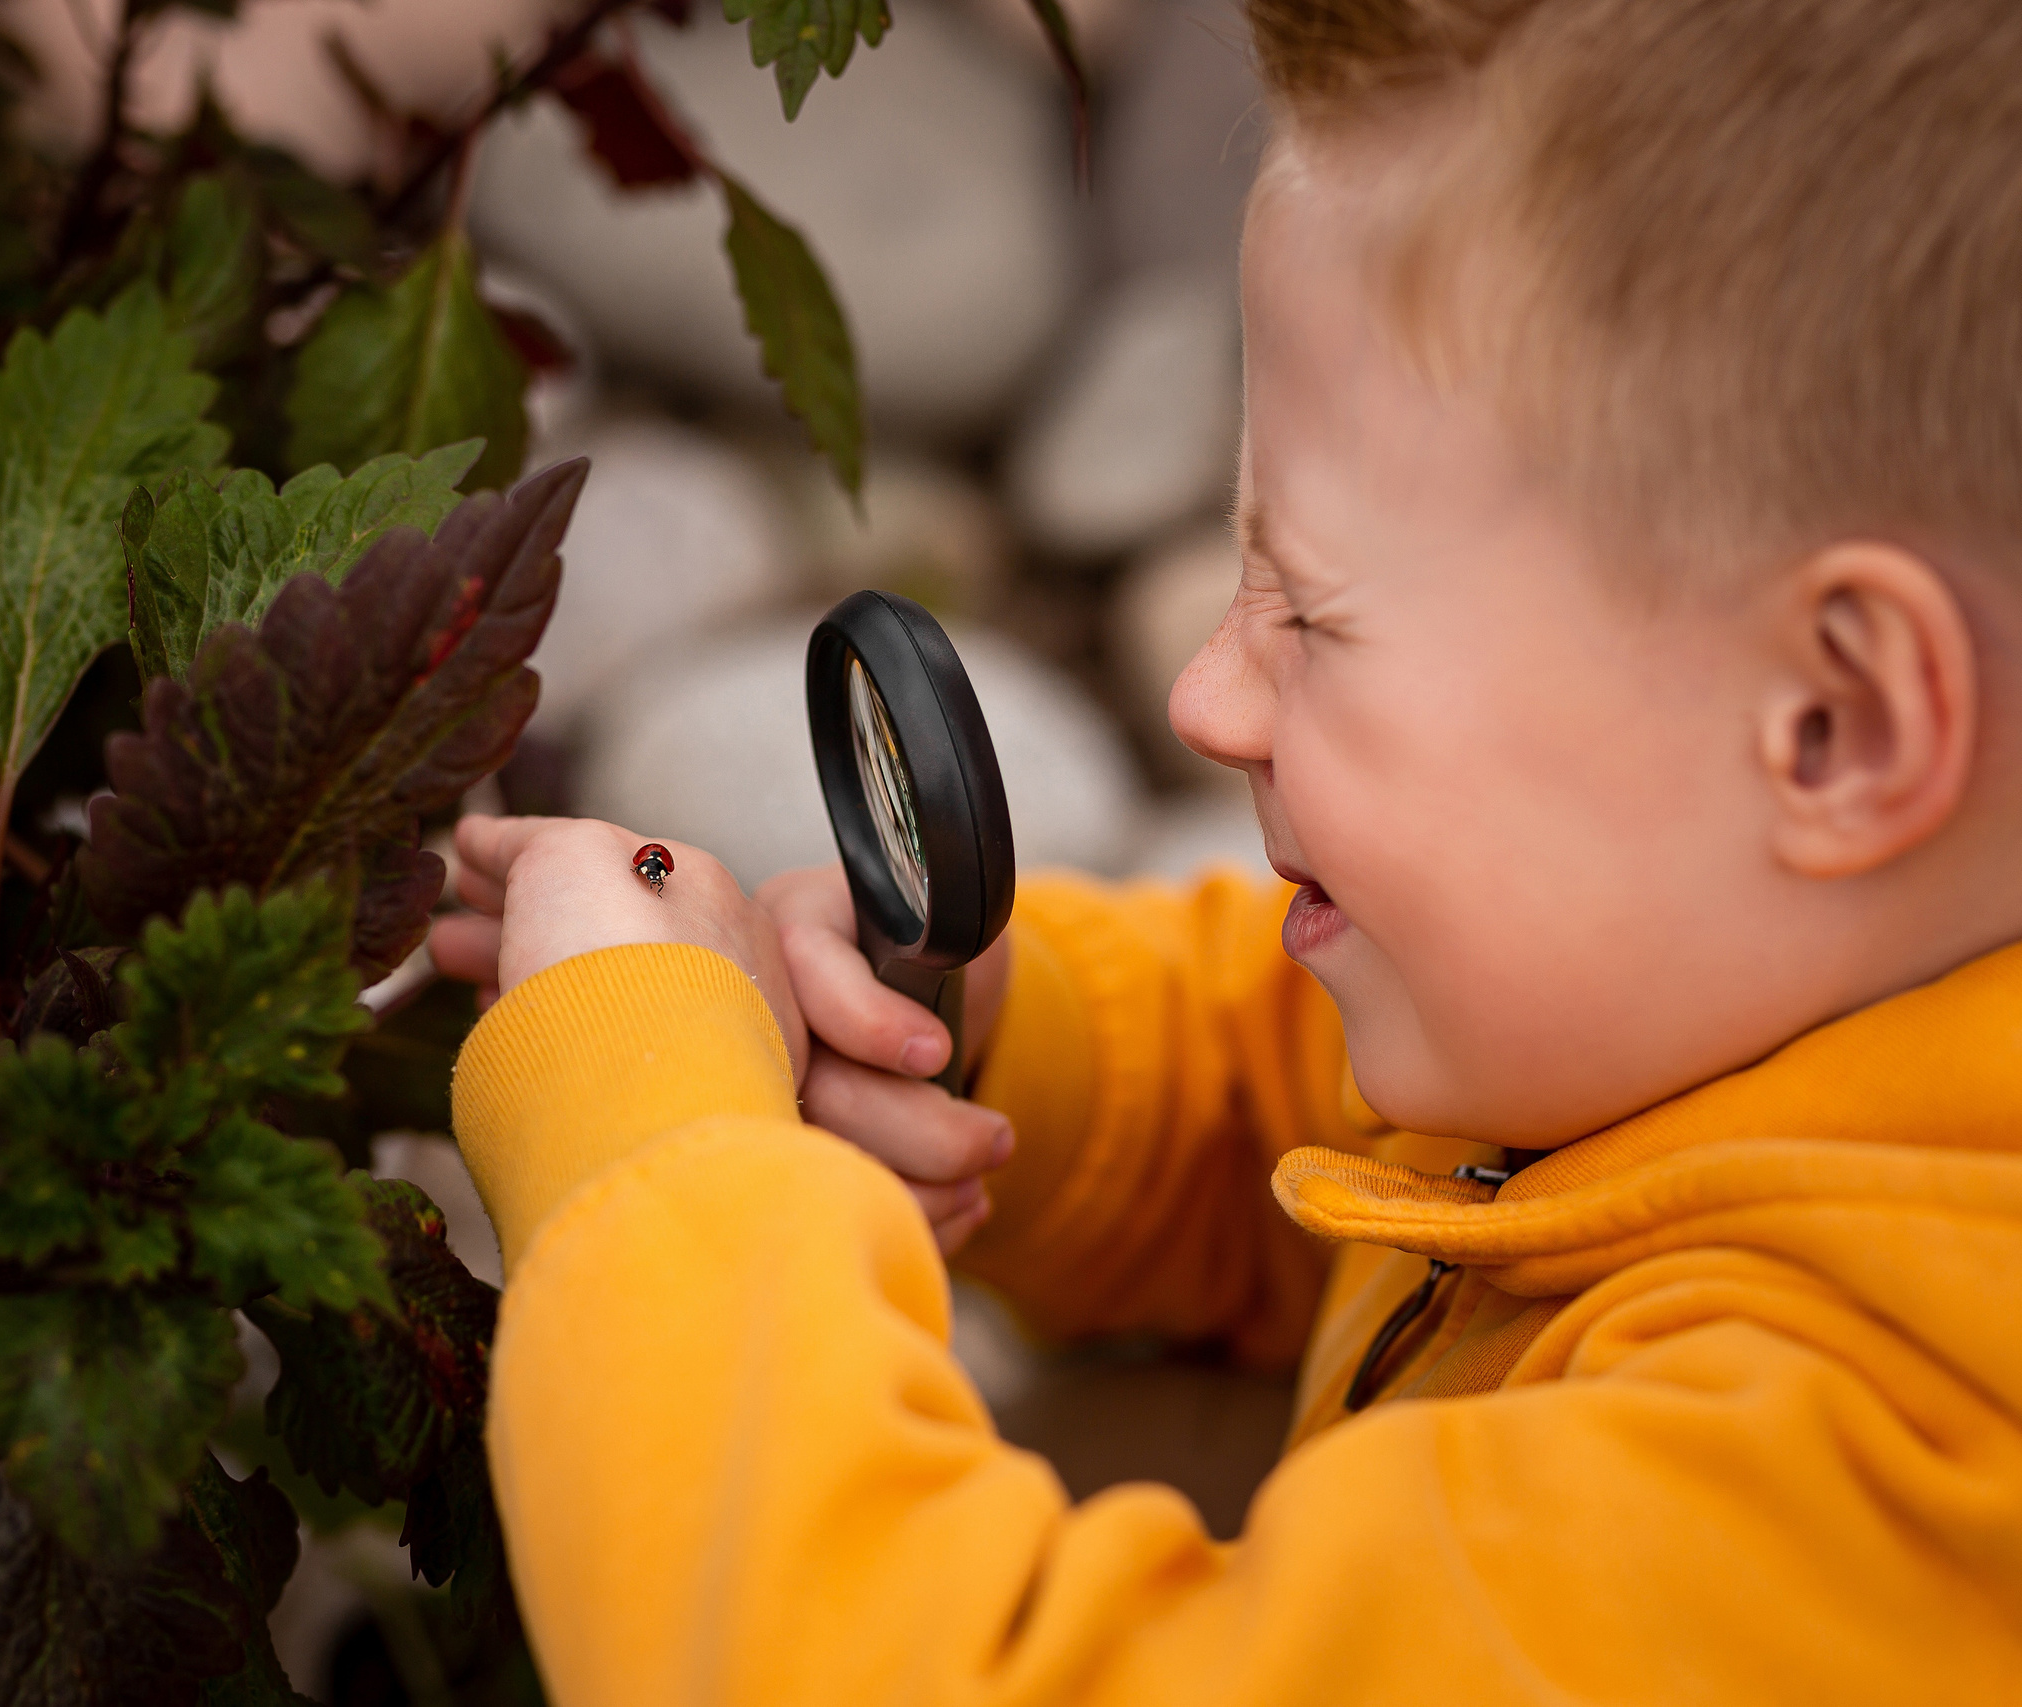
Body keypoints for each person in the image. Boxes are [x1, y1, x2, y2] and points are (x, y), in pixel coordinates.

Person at [424, 1, 2022, 1698]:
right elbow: (1311, 1098)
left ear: (1835, 724)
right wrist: (993, 1041)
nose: (1204, 697)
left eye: (1312, 612)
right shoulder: (1726, 1002)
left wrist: (647, 1138)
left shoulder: (1830, 1502)